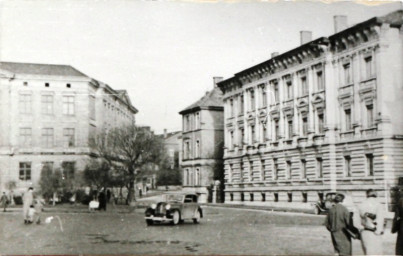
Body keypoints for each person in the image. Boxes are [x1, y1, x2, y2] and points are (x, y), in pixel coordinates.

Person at [354, 189, 384, 255]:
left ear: (366, 195)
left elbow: (355, 221)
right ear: (376, 195)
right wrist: (379, 230)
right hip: (375, 231)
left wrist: (360, 228)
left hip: (364, 231)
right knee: (377, 252)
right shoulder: (378, 205)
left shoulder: (360, 205)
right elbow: (380, 219)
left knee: (367, 251)